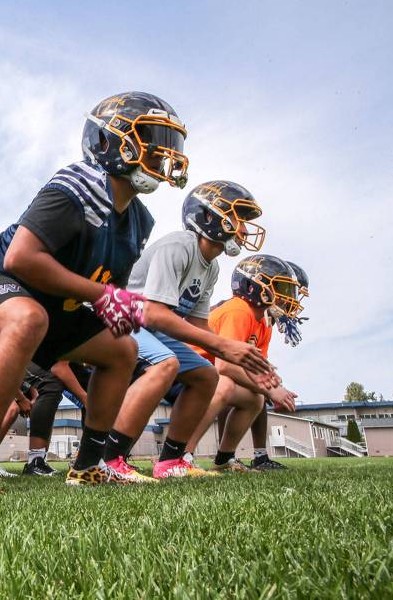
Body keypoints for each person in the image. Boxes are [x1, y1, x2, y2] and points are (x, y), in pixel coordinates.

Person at [0, 92, 189, 494]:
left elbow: (107, 287)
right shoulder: (79, 183)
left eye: (168, 142)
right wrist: (104, 295)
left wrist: (114, 310)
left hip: (46, 301)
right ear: (109, 142)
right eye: (153, 138)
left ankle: (89, 465)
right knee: (27, 318)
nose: (164, 152)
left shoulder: (140, 219)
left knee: (122, 349)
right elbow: (21, 258)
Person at [101, 181, 276, 481]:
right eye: (237, 218)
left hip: (150, 326)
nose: (244, 229)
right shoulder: (179, 246)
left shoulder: (211, 267)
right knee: (165, 364)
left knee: (206, 375)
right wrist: (222, 346)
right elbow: (154, 313)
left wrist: (238, 358)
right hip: (121, 317)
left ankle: (170, 461)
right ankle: (110, 460)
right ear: (208, 216)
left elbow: (196, 324)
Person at [183, 255, 300, 471]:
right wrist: (273, 391)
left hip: (204, 372)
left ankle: (224, 459)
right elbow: (225, 366)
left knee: (255, 398)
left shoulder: (262, 323)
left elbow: (256, 368)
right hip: (182, 370)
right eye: (280, 289)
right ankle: (181, 455)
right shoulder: (238, 311)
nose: (286, 298)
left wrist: (275, 387)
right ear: (253, 286)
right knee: (226, 383)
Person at [244, 260, 310, 471]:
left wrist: (273, 384)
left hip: (222, 367)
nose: (291, 299)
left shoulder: (266, 322)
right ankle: (218, 456)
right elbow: (234, 359)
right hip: (209, 366)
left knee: (259, 392)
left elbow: (257, 362)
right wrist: (270, 388)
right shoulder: (244, 312)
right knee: (237, 388)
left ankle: (260, 456)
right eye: (286, 291)